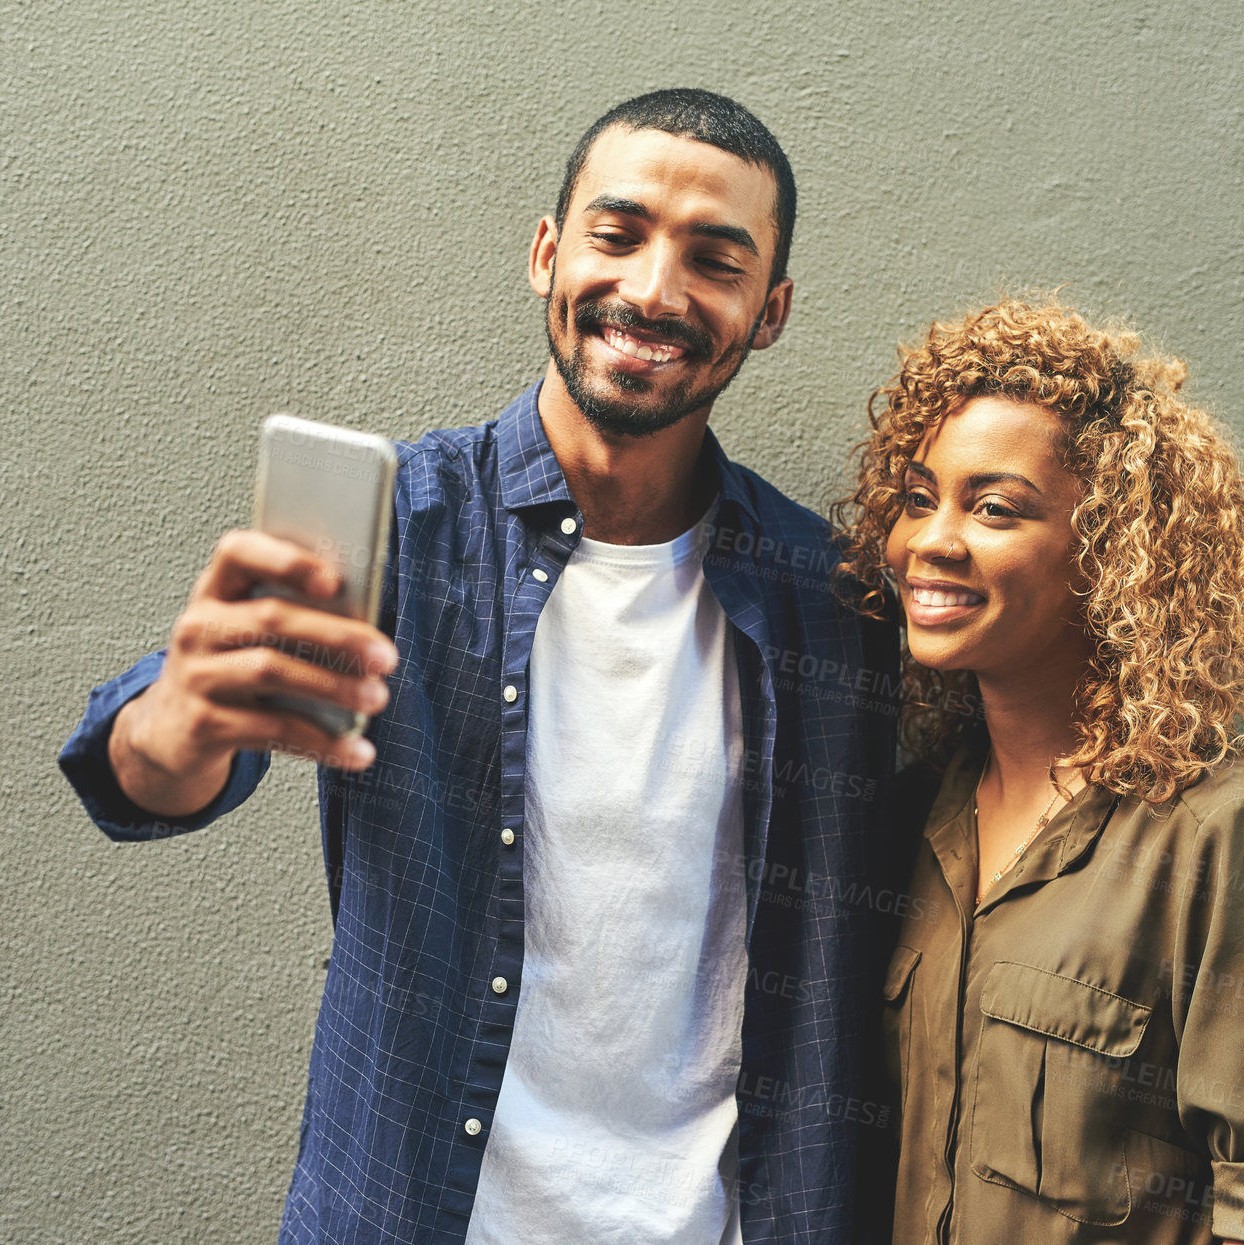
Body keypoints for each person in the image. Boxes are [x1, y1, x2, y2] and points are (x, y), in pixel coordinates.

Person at [58, 89, 897, 1245]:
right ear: (549, 253)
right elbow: (145, 775)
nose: (655, 290)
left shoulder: (831, 597)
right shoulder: (396, 526)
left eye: (714, 260)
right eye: (618, 234)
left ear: (770, 311)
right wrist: (178, 726)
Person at [836, 297, 1244, 1243]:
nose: (930, 541)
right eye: (918, 498)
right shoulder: (923, 810)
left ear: (1112, 551)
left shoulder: (1224, 831)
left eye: (993, 507)